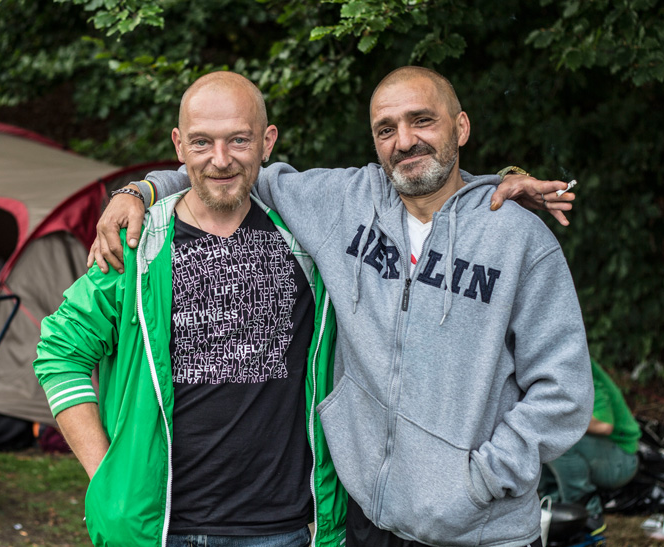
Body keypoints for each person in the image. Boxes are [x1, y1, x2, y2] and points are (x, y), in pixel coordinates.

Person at [98, 66, 594, 547]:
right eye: (386, 129)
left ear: (460, 127)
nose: (404, 141)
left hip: (483, 529)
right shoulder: (341, 203)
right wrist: (138, 190)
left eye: (422, 120)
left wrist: (481, 479)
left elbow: (563, 391)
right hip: (368, 523)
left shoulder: (517, 238)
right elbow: (225, 172)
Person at [33, 72, 346, 547]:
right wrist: (107, 473)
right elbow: (60, 352)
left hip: (278, 530)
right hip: (161, 530)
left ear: (267, 141)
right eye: (202, 142)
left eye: (238, 140)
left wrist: (505, 179)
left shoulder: (309, 241)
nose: (220, 160)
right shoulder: (139, 245)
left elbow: (416, 187)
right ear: (179, 145)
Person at [539, 358, 641, 534]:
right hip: (603, 453)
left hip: (621, 459)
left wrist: (556, 419)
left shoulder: (578, 366)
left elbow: (604, 425)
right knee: (542, 434)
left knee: (560, 438)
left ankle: (587, 514)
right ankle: (552, 508)